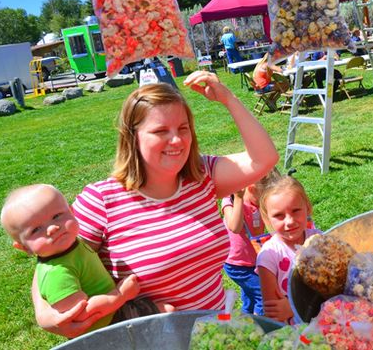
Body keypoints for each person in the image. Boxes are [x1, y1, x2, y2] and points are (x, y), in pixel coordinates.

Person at [32, 76, 279, 337]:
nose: (177, 140)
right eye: (161, 131)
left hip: (214, 335)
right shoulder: (102, 200)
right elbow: (54, 259)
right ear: (133, 136)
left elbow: (264, 159)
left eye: (183, 128)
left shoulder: (202, 175)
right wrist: (44, 312)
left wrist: (228, 99)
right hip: (149, 340)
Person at [1, 185, 169, 334]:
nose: (52, 228)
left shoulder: (71, 244)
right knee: (167, 315)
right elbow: (81, 313)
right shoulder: (58, 272)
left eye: (57, 216)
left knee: (168, 313)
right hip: (107, 328)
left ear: (72, 212)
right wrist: (120, 295)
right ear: (24, 247)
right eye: (36, 229)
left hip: (113, 313)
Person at [256, 176, 320, 323]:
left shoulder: (318, 241)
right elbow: (275, 312)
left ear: (308, 207)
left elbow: (336, 287)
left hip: (325, 323)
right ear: (267, 218)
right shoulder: (268, 256)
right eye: (279, 215)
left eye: (296, 210)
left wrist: (294, 306)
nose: (289, 221)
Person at [221, 169, 281, 315]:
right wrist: (239, 198)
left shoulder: (260, 204)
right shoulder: (230, 201)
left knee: (250, 296)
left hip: (253, 261)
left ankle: (244, 320)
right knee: (263, 295)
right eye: (265, 195)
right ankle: (259, 327)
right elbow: (235, 227)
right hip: (237, 264)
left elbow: (270, 229)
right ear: (252, 189)